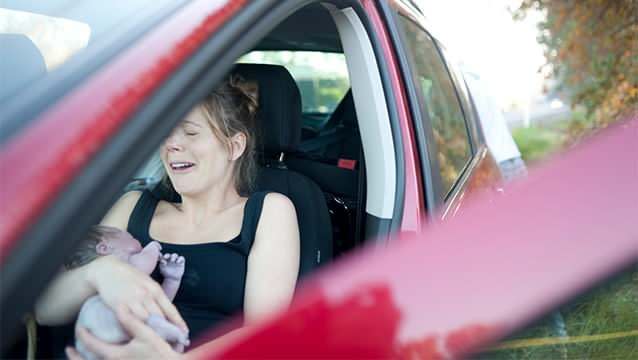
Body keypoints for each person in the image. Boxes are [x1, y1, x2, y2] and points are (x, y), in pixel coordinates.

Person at [35, 75, 301, 358]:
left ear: (234, 146)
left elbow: (262, 334)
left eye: (190, 132)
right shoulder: (134, 206)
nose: (171, 145)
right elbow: (45, 310)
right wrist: (100, 272)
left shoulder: (268, 211)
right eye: (167, 132)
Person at [66, 225, 189, 359]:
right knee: (147, 322)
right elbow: (142, 266)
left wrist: (171, 279)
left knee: (149, 318)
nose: (138, 241)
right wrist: (153, 247)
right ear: (103, 248)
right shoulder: (117, 269)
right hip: (106, 320)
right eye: (132, 238)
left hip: (99, 340)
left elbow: (157, 306)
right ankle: (166, 333)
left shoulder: (127, 288)